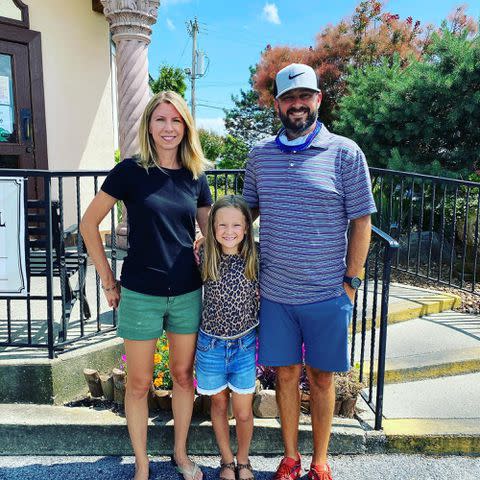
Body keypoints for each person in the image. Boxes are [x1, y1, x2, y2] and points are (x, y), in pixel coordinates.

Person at [243, 63, 377, 480]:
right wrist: (210, 235)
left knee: (321, 379)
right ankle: (290, 458)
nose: (297, 105)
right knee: (284, 376)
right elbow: (245, 215)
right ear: (278, 105)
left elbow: (361, 221)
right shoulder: (259, 155)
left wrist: (351, 283)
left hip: (326, 293)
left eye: (305, 96)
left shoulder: (345, 152)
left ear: (318, 99)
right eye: (288, 98)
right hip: (276, 292)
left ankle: (319, 461)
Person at [80, 91, 212, 480]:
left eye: (176, 120)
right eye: (160, 120)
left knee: (184, 377)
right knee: (138, 384)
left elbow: (211, 232)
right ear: (149, 126)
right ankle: (141, 464)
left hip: (187, 292)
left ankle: (181, 455)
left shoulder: (195, 175)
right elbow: (89, 225)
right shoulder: (129, 172)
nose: (169, 128)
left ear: (185, 125)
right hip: (140, 293)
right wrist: (107, 279)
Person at [195, 195, 259, 480]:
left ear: (246, 227)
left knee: (243, 411)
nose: (229, 231)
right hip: (210, 345)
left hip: (244, 344)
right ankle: (226, 460)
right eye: (222, 225)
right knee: (219, 404)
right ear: (212, 227)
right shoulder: (204, 255)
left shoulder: (256, 256)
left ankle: (243, 460)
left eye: (236, 224)